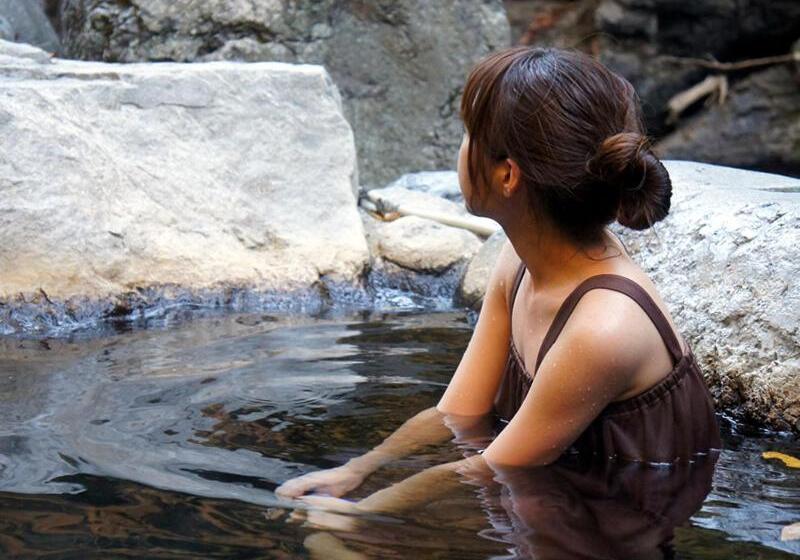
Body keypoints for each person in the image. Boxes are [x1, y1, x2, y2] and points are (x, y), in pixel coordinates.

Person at [275, 46, 721, 527]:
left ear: (508, 175)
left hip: (614, 525)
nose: (461, 148)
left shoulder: (603, 328)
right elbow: (459, 413)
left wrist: (364, 515)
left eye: (470, 134)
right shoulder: (521, 261)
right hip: (552, 500)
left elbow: (498, 465)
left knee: (334, 542)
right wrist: (358, 470)